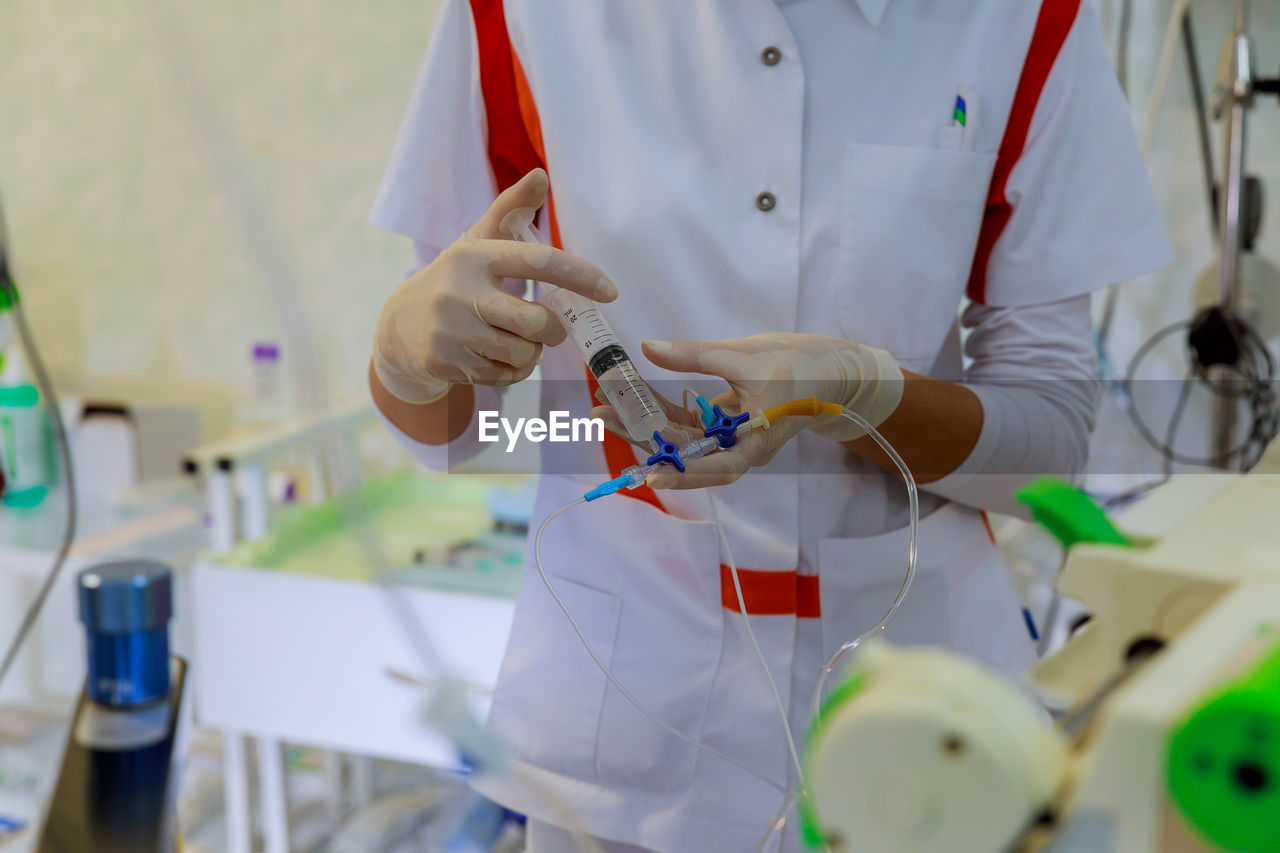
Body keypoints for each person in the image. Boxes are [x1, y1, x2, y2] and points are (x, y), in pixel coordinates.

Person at [368, 1, 1172, 850]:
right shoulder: (520, 16)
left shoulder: (1020, 18)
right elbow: (452, 435)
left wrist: (861, 397)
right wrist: (404, 352)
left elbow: (1043, 448)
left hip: (926, 738)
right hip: (623, 741)